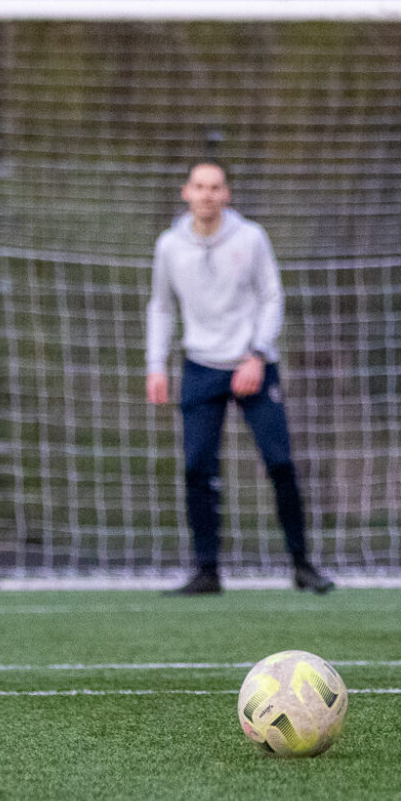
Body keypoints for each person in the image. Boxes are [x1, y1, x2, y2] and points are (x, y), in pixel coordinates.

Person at [146, 161, 334, 596]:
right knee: (196, 468)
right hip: (199, 366)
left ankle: (303, 566)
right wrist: (155, 364)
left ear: (227, 194)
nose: (207, 194)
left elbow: (271, 296)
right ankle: (206, 571)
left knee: (280, 463)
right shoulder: (170, 246)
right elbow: (161, 306)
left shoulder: (250, 238)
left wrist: (257, 354)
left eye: (215, 187)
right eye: (199, 186)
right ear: (185, 192)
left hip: (253, 364)